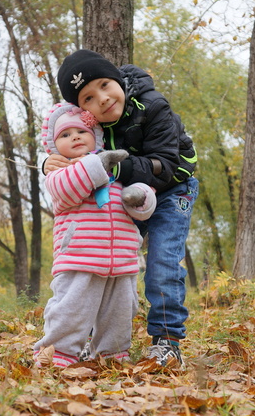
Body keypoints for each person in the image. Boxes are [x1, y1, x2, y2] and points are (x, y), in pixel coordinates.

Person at [47, 49, 199, 368]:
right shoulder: (92, 128)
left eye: (105, 85)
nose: (101, 99)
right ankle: (100, 340)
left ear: (116, 79)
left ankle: (167, 342)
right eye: (88, 98)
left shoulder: (153, 106)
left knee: (162, 260)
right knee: (113, 261)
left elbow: (167, 165)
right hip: (127, 194)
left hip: (173, 188)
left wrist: (114, 170)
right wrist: (46, 162)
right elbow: (60, 141)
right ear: (82, 111)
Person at [33, 102, 156, 368]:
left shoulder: (116, 171)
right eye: (65, 135)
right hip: (80, 257)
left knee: (120, 312)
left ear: (96, 136)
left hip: (122, 259)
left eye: (81, 131)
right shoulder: (58, 173)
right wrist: (95, 164)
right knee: (71, 310)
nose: (74, 137)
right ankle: (56, 354)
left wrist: (140, 197)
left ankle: (112, 354)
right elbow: (68, 190)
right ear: (54, 147)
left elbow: (140, 209)